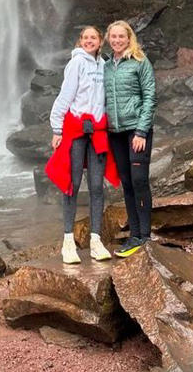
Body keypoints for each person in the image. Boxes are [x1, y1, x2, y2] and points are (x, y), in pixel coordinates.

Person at [45, 26, 120, 264]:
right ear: (81, 41)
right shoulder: (76, 63)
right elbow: (65, 95)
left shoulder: (104, 65)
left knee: (97, 187)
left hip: (97, 131)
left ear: (100, 42)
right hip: (77, 130)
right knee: (72, 184)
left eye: (94, 38)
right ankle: (68, 241)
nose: (89, 41)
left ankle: (95, 240)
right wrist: (57, 128)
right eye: (85, 38)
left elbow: (108, 98)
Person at [103, 19, 156, 257]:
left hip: (136, 131)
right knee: (126, 182)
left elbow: (150, 97)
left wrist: (142, 132)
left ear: (129, 38)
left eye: (120, 37)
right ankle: (134, 234)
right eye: (113, 37)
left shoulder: (140, 62)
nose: (116, 40)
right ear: (108, 39)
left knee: (139, 180)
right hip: (115, 132)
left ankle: (145, 235)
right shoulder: (105, 66)